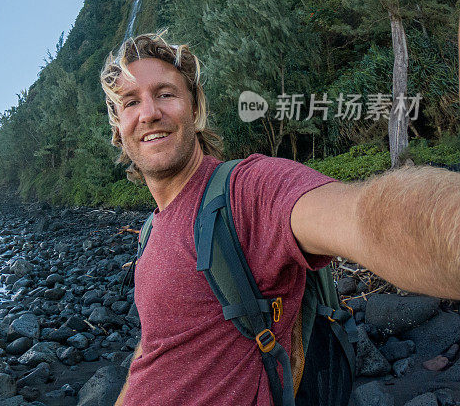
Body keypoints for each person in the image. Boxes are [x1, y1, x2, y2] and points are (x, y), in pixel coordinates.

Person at [99, 32, 460, 406]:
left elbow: (367, 217)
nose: (149, 112)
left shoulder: (245, 192)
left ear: (194, 109)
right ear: (118, 127)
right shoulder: (149, 231)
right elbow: (153, 347)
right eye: (130, 102)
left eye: (165, 94)